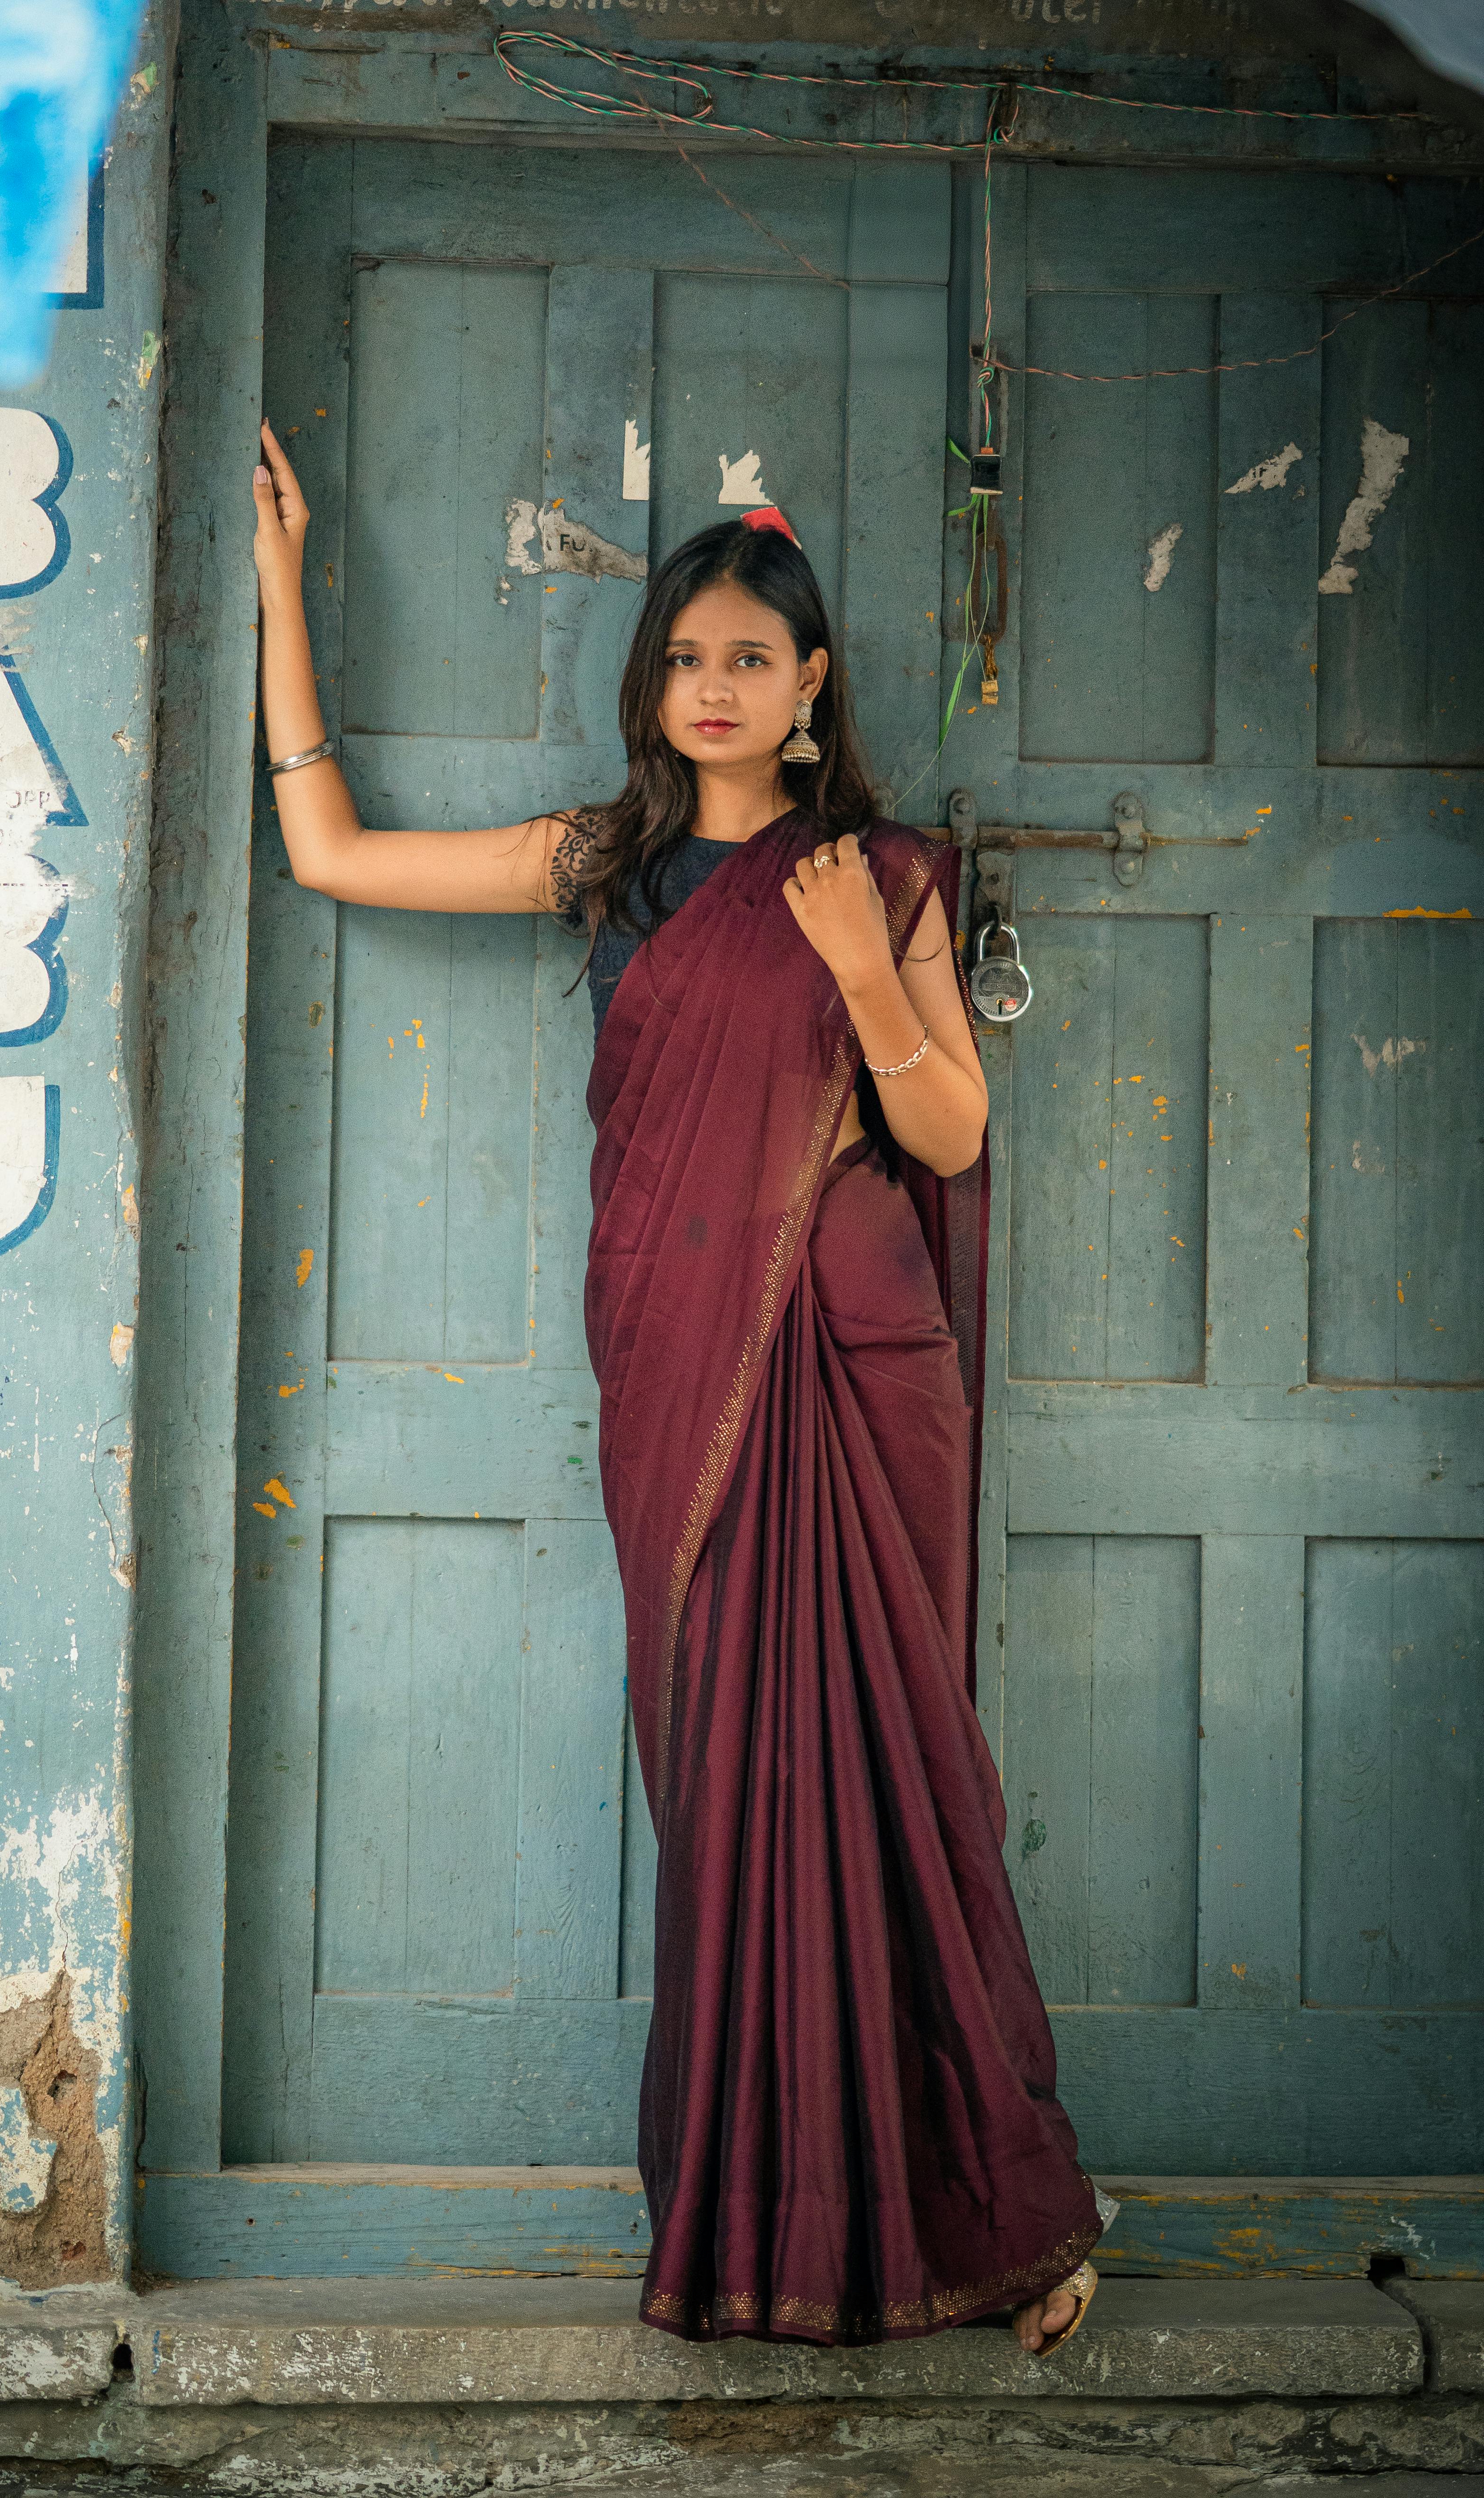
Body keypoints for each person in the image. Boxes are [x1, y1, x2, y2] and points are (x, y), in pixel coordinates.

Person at [250, 422, 1106, 2355]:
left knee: (902, 1787)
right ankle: (763, 2229)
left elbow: (950, 1140)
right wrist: (283, 591)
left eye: (746, 656)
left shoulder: (879, 872)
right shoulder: (611, 863)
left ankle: (1003, 2214)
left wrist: (869, 975)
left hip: (855, 1370)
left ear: (810, 690)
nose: (706, 686)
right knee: (732, 1791)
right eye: (680, 657)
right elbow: (331, 852)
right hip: (682, 1385)